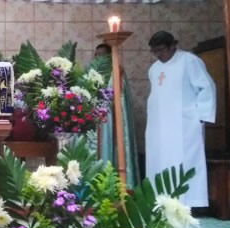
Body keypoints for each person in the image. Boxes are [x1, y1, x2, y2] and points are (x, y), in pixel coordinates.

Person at [145, 31, 215, 208]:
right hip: (158, 125)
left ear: (172, 46)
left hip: (185, 124)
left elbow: (206, 87)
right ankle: (160, 201)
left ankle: (187, 202)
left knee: (184, 160)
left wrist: (202, 116)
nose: (158, 55)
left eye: (161, 50)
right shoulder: (154, 69)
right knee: (159, 160)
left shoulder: (189, 61)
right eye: (154, 51)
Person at [90, 43, 139, 187]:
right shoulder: (92, 73)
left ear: (111, 56)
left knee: (110, 151)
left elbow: (120, 98)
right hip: (93, 123)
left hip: (110, 120)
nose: (99, 58)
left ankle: (113, 186)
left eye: (103, 55)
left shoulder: (117, 72)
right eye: (97, 55)